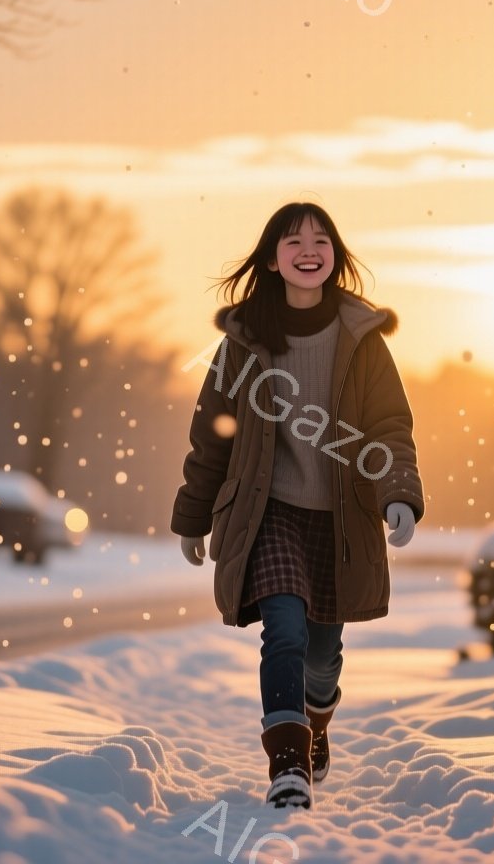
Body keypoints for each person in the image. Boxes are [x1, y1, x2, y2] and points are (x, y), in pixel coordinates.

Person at [171, 201, 425, 810]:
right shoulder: (242, 341)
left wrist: (399, 495)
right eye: (293, 241)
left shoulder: (362, 339)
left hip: (340, 521)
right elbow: (213, 432)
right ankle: (288, 766)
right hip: (268, 515)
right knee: (282, 630)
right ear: (272, 258)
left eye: (320, 240)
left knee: (322, 654)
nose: (309, 250)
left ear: (335, 255)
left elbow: (390, 425)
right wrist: (193, 513)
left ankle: (315, 726)